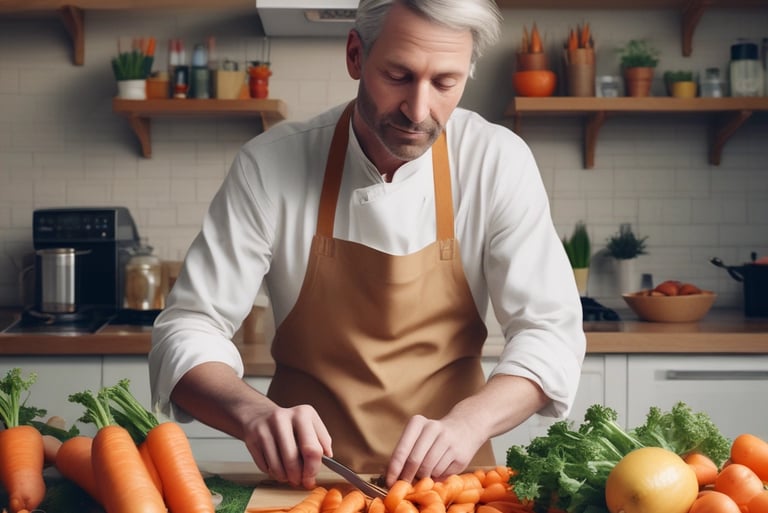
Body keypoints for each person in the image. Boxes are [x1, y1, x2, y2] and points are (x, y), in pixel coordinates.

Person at [149, 0, 585, 492]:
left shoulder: (497, 162)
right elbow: (189, 326)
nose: (418, 110)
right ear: (356, 55)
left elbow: (550, 333)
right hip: (309, 487)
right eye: (398, 75)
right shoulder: (269, 165)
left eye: (445, 83)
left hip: (454, 489)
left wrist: (470, 423)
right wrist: (252, 413)